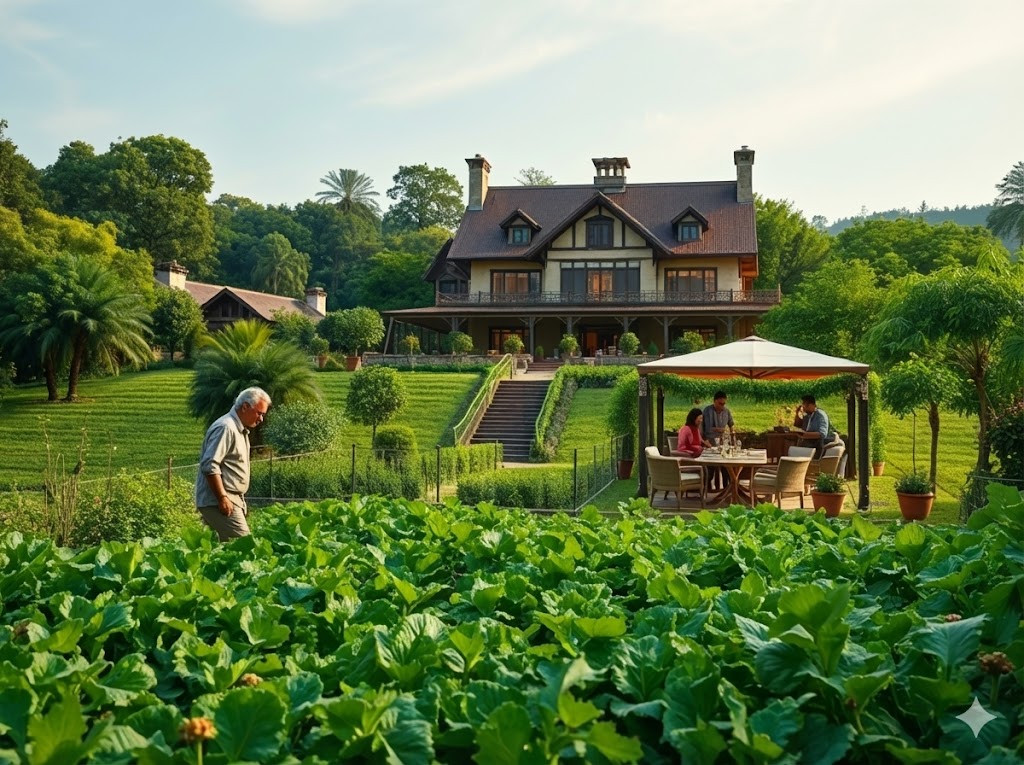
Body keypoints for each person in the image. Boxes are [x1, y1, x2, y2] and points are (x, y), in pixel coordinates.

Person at [194, 387, 271, 542]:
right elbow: (210, 466)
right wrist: (222, 498)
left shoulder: (239, 429)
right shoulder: (226, 428)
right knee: (243, 547)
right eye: (259, 413)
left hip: (231, 499)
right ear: (245, 407)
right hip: (218, 499)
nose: (261, 419)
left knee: (225, 551)